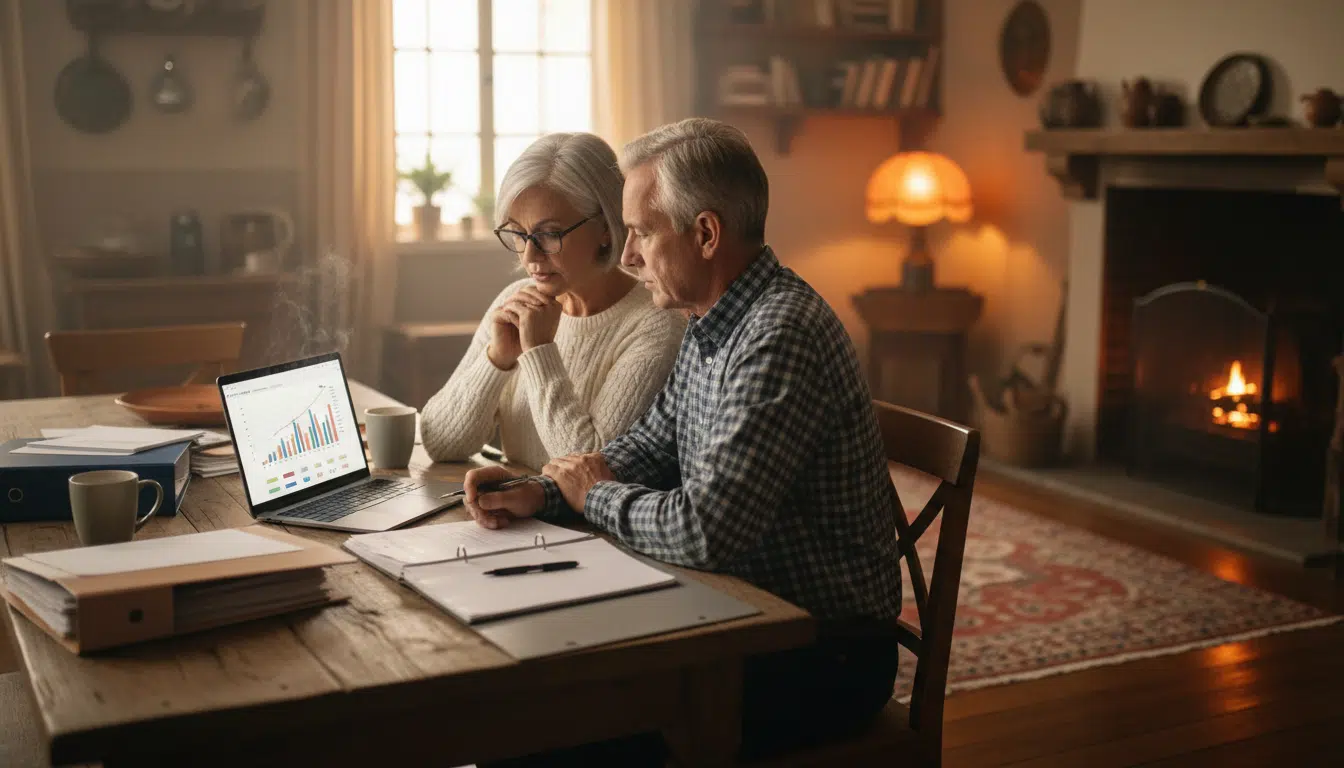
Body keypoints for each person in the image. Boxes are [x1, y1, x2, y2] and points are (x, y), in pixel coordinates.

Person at [466, 118, 904, 766]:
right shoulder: (713, 321)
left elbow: (704, 532)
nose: (629, 254)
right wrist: (541, 492)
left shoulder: (778, 335)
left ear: (705, 234)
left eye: (642, 231)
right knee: (528, 697)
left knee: (544, 728)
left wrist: (596, 496)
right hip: (736, 616)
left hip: (822, 653)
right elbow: (647, 446)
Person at [420, 132, 686, 471]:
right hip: (513, 514)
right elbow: (439, 441)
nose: (530, 255)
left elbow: (590, 468)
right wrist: (497, 359)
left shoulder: (655, 325)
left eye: (549, 234)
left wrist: (539, 352)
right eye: (518, 233)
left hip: (588, 524)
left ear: (606, 226)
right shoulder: (514, 303)